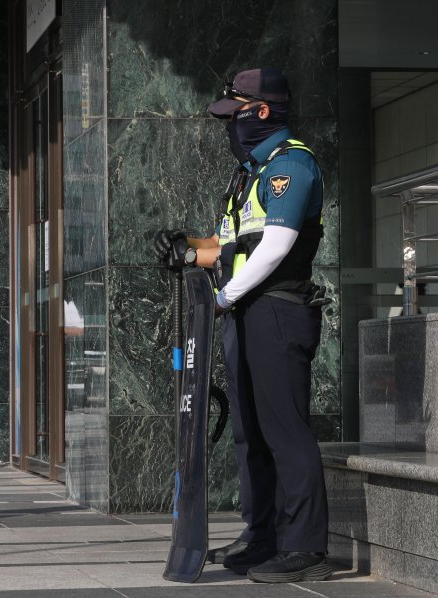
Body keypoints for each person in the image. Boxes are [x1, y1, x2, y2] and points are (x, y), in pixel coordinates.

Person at [155, 69, 330, 583]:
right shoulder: (250, 174)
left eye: (235, 115)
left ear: (261, 112)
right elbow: (229, 246)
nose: (230, 127)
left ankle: (303, 547)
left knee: (285, 430)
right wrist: (186, 247)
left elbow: (275, 248)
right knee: (250, 433)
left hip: (276, 310)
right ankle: (262, 534)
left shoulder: (291, 167)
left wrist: (225, 295)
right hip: (244, 313)